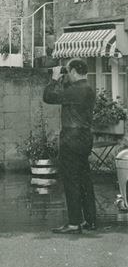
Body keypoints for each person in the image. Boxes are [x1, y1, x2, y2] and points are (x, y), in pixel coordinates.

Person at [43, 58, 97, 234]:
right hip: (85, 138)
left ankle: (74, 222)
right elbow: (67, 93)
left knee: (71, 181)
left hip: (71, 139)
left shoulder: (74, 91)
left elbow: (48, 97)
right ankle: (91, 220)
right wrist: (63, 78)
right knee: (85, 180)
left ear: (73, 71)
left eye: (68, 71)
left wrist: (54, 78)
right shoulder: (88, 89)